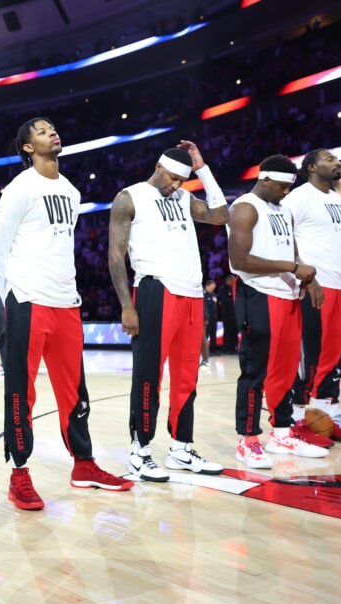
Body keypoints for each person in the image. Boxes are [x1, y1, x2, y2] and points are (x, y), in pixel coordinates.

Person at [0, 116, 133, 511]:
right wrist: (14, 297)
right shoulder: (19, 188)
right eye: (41, 131)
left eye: (53, 127)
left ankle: (84, 463)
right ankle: (19, 474)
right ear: (28, 148)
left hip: (66, 302)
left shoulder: (70, 190)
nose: (52, 132)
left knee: (74, 392)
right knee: (22, 391)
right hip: (28, 301)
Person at [107, 143, 227, 482]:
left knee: (187, 376)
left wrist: (202, 170)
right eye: (174, 178)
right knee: (149, 375)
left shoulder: (185, 198)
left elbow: (221, 215)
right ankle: (140, 451)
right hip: (155, 290)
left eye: (182, 181)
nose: (176, 185)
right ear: (159, 167)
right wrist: (127, 305)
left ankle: (181, 448)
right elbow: (116, 256)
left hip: (192, 292)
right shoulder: (129, 197)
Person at [227, 154, 329, 468]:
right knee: (255, 370)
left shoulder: (282, 209)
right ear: (265, 179)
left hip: (287, 294)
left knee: (285, 371)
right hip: (258, 294)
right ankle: (247, 441)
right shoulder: (245, 207)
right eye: (282, 186)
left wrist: (307, 278)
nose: (286, 192)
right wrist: (293, 267)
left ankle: (282, 433)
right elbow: (239, 261)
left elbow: (291, 248)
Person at [286, 149, 341, 439]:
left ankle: (325, 415)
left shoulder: (337, 200)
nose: (337, 163)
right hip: (315, 286)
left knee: (334, 357)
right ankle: (296, 420)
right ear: (311, 166)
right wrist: (303, 275)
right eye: (330, 159)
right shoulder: (298, 197)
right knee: (310, 356)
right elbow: (284, 236)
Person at [217, 274, 238, 353]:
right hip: (226, 314)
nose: (233, 282)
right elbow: (225, 300)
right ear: (228, 280)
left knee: (234, 330)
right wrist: (231, 298)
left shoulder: (234, 288)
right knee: (228, 330)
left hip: (234, 314)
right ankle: (227, 348)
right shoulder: (222, 289)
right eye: (232, 280)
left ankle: (234, 347)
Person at [202, 279, 218, 363]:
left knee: (213, 334)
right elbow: (205, 308)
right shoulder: (203, 295)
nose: (213, 289)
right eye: (212, 287)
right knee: (206, 336)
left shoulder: (214, 295)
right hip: (207, 319)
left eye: (214, 287)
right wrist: (205, 317)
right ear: (207, 286)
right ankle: (205, 353)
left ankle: (213, 350)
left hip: (214, 318)